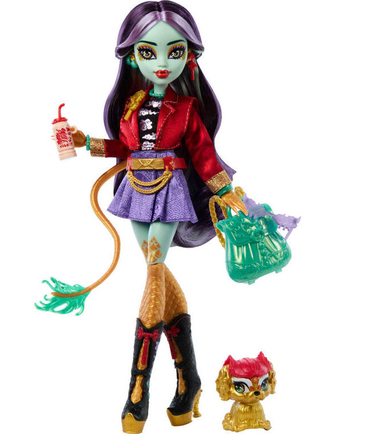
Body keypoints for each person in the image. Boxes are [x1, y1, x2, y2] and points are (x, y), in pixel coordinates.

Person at [71, 2, 247, 432]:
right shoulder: (131, 104)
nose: (163, 62)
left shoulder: (186, 109)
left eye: (175, 51)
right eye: (149, 52)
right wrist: (86, 142)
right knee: (158, 270)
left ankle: (138, 389)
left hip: (169, 192)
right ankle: (189, 379)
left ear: (190, 57)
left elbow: (203, 154)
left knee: (153, 270)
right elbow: (124, 148)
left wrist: (225, 190)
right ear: (133, 57)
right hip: (135, 191)